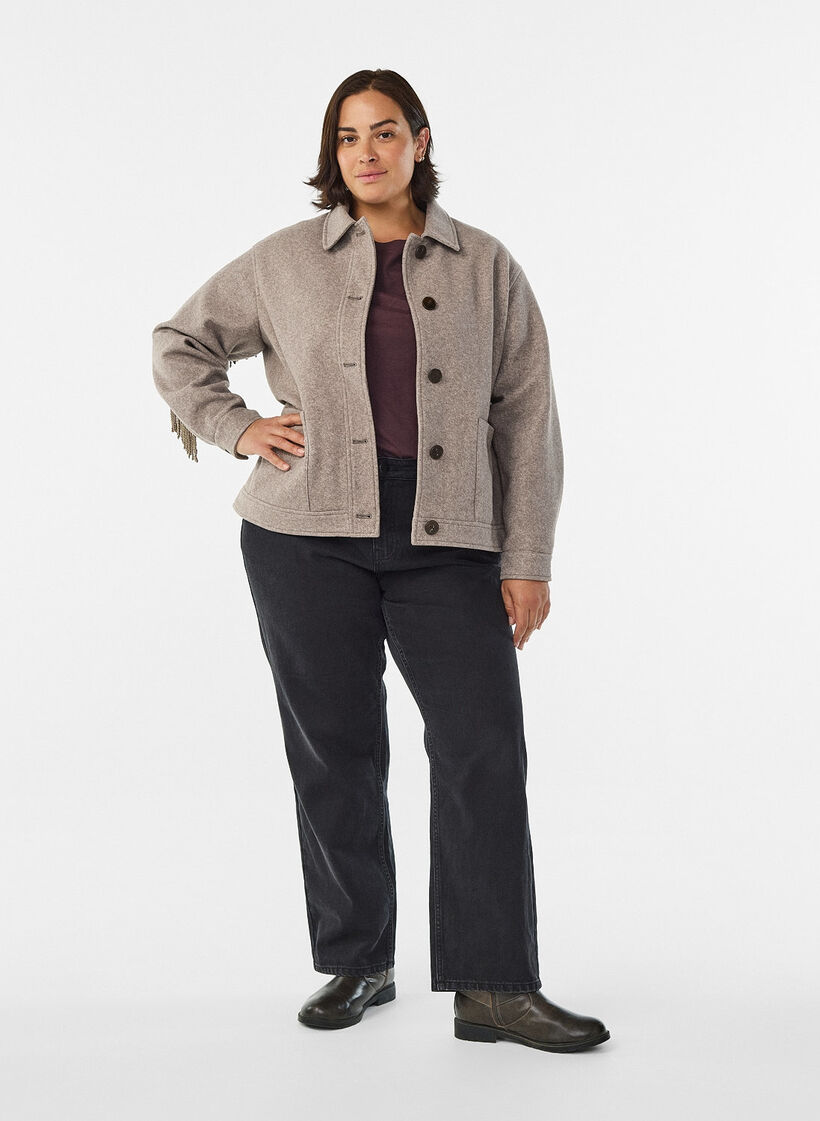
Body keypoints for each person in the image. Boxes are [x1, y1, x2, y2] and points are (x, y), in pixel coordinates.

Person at [152, 68, 610, 1054]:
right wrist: (238, 428)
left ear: (419, 141)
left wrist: (527, 554)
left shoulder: (486, 265)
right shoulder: (284, 260)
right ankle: (359, 957)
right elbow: (180, 342)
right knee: (337, 746)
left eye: (385, 131)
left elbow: (527, 413)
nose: (366, 151)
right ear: (334, 153)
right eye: (349, 136)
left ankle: (494, 986)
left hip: (450, 536)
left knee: (483, 744)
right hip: (303, 534)